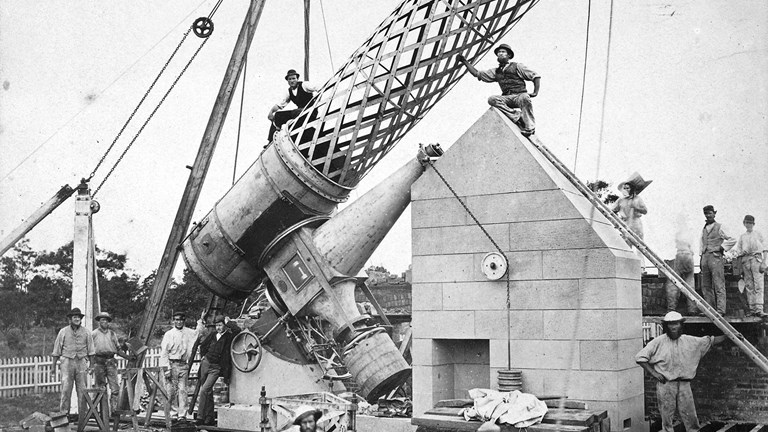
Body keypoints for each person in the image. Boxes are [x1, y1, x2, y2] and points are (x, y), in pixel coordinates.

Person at [636, 311, 727, 432]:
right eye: (670, 324)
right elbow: (640, 358)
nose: (673, 327)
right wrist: (654, 373)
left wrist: (730, 336)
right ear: (666, 326)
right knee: (666, 416)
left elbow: (709, 341)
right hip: (666, 384)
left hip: (684, 385)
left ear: (681, 325)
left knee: (690, 415)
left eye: (676, 324)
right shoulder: (658, 342)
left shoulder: (689, 340)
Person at [456, 44, 540, 136]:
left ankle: (530, 128)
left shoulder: (517, 66)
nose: (500, 54)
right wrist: (464, 61)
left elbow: (535, 76)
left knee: (525, 97)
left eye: (503, 52)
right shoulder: (496, 71)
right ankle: (517, 116)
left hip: (519, 96)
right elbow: (477, 73)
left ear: (509, 55)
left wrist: (535, 92)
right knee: (492, 99)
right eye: (499, 52)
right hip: (507, 97)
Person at [195, 315, 240, 426]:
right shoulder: (213, 335)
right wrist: (203, 356)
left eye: (220, 325)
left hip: (216, 368)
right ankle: (209, 418)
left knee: (204, 390)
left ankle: (200, 417)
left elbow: (238, 330)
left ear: (224, 325)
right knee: (208, 392)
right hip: (206, 363)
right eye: (217, 325)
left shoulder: (229, 336)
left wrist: (228, 322)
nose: (218, 328)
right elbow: (203, 345)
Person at [159, 310, 205, 419]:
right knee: (172, 391)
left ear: (184, 321)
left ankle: (182, 415)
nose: (178, 322)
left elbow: (198, 332)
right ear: (173, 321)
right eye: (176, 320)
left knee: (183, 390)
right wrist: (167, 369)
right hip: (172, 364)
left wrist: (201, 319)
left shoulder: (188, 332)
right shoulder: (169, 334)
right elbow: (164, 352)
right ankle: (173, 413)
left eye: (180, 320)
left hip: (183, 365)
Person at [50, 307, 95, 416]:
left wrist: (92, 365)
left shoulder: (86, 332)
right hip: (67, 362)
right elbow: (56, 350)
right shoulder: (63, 331)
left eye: (78, 317)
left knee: (82, 390)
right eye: (74, 317)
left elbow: (91, 350)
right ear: (70, 319)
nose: (77, 319)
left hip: (81, 362)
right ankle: (64, 415)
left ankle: (82, 416)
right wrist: (53, 367)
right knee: (66, 389)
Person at [91, 311, 131, 414]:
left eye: (106, 320)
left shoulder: (112, 334)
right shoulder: (94, 334)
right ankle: (98, 412)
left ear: (109, 322)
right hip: (99, 362)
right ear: (99, 321)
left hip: (111, 362)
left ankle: (114, 411)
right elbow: (89, 350)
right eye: (102, 319)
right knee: (99, 388)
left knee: (115, 388)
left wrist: (128, 357)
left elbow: (118, 350)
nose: (104, 322)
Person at [726, 215, 767, 317]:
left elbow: (765, 248)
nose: (749, 225)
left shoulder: (758, 234)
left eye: (750, 223)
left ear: (753, 224)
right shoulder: (742, 236)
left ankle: (759, 309)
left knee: (758, 284)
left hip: (756, 260)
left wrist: (764, 262)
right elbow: (738, 251)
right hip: (746, 261)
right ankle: (752, 309)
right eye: (747, 223)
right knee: (749, 285)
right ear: (744, 223)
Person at [700, 205, 737, 315]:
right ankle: (709, 310)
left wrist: (722, 247)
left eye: (710, 213)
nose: (708, 215)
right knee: (705, 285)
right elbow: (701, 244)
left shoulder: (720, 227)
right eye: (706, 213)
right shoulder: (704, 228)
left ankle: (721, 310)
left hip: (716, 257)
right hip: (705, 257)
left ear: (714, 213)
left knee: (718, 283)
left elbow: (732, 239)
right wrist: (701, 256)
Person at [266, 69, 320, 143]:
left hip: (310, 112)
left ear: (297, 79)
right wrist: (271, 112)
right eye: (290, 79)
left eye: (294, 78)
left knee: (295, 113)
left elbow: (318, 88)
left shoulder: (304, 85)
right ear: (287, 81)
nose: (292, 81)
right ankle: (271, 140)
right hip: (299, 113)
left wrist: (317, 99)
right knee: (278, 115)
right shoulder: (289, 91)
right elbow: (280, 105)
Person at [612, 172, 650, 271]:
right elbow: (612, 210)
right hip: (625, 223)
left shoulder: (637, 199)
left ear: (632, 189)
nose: (626, 190)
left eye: (628, 188)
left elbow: (645, 210)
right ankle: (626, 266)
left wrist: (636, 207)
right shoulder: (620, 200)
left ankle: (641, 267)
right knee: (625, 244)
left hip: (636, 223)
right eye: (624, 188)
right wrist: (617, 220)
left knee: (638, 245)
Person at [665, 234, 698, 314]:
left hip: (680, 254)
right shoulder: (689, 233)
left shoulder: (679, 233)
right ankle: (692, 309)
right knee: (690, 283)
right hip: (689, 255)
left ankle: (671, 308)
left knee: (673, 283)